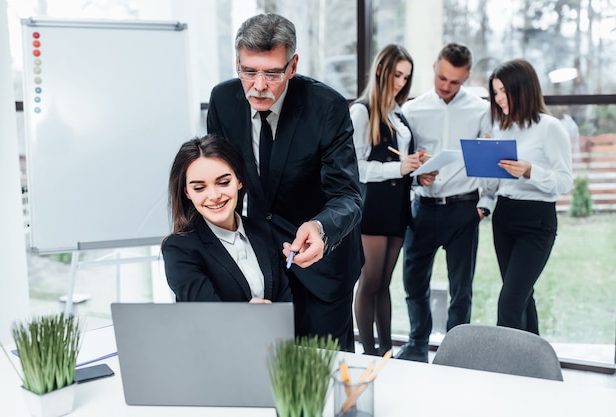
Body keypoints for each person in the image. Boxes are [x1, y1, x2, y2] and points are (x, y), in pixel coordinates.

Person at [207, 13, 364, 351]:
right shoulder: (222, 101)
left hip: (324, 266)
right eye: (248, 72)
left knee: (324, 376)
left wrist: (321, 228)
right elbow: (217, 180)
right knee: (267, 367)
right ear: (237, 63)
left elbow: (348, 195)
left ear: (292, 66)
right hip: (262, 265)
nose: (259, 85)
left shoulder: (328, 107)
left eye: (272, 73)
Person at [396, 42, 493, 362]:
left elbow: (492, 159)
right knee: (413, 282)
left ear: (466, 77)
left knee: (461, 289)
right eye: (442, 78)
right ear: (435, 67)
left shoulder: (481, 110)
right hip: (423, 208)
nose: (447, 86)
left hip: (464, 209)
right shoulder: (411, 110)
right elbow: (403, 163)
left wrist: (486, 203)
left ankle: (456, 352)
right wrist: (416, 176)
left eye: (455, 81)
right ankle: (417, 344)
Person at [487, 59, 573, 334]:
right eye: (495, 92)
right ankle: (533, 371)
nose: (498, 99)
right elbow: (496, 181)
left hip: (536, 222)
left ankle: (507, 372)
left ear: (522, 89)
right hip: (504, 216)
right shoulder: (502, 128)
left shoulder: (550, 127)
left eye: (503, 91)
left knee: (509, 305)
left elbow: (564, 182)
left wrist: (530, 171)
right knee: (522, 299)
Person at [350, 44, 422, 356]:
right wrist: (399, 166)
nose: (401, 82)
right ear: (380, 70)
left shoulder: (398, 113)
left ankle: (387, 353)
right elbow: (355, 167)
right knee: (370, 282)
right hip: (373, 207)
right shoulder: (362, 111)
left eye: (406, 77)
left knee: (384, 285)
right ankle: (369, 354)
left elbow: (402, 162)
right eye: (397, 74)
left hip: (398, 206)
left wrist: (419, 171)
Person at [161, 134, 292, 303]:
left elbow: (285, 302)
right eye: (199, 188)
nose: (214, 196)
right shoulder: (179, 249)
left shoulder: (263, 230)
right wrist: (247, 314)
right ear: (187, 192)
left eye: (223, 182)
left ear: (239, 180)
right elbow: (208, 316)